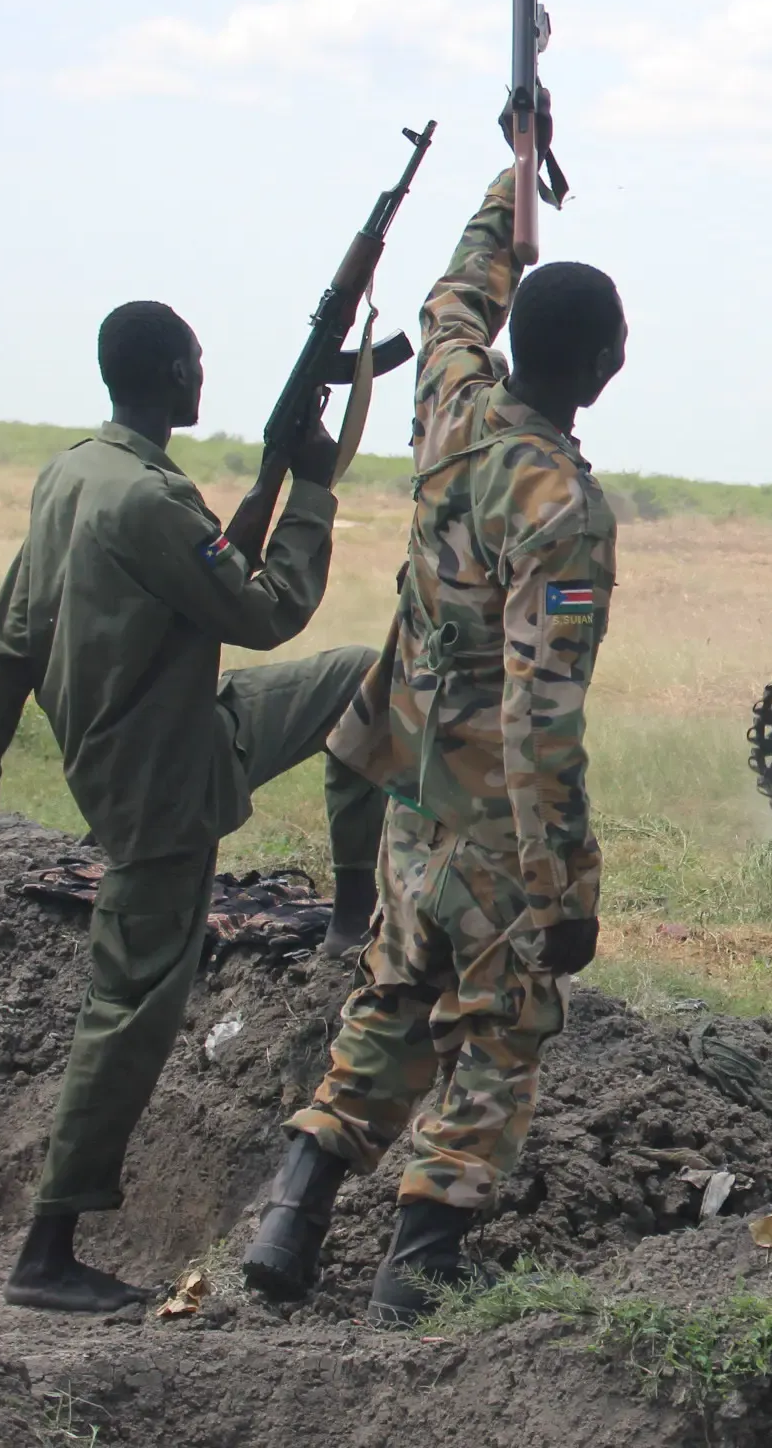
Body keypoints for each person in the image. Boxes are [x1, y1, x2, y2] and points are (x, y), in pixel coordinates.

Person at [241, 145, 625, 1327]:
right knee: (499, 1032)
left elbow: (451, 301)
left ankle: (293, 1217)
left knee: (392, 1000)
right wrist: (565, 887)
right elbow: (541, 715)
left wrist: (509, 182)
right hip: (494, 824)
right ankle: (418, 1274)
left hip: (406, 788)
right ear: (607, 371)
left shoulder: (450, 405)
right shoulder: (561, 508)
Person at [0, 301, 378, 1313]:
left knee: (365, 679)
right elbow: (267, 611)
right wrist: (310, 485)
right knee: (130, 1010)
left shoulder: (73, 474)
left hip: (180, 734)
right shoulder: (143, 500)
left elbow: (8, 641)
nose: (203, 376)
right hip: (162, 785)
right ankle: (46, 1254)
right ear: (176, 371)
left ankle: (352, 918)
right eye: (198, 362)